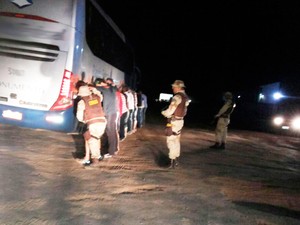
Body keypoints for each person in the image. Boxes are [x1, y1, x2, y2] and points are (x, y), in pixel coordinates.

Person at [161, 80, 190, 169]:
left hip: (174, 121)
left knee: (171, 140)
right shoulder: (186, 97)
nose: (172, 88)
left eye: (174, 86)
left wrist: (164, 113)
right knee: (176, 140)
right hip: (180, 121)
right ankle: (175, 160)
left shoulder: (177, 97)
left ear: (178, 87)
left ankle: (172, 162)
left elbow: (171, 110)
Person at [76, 85, 107, 166]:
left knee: (92, 140)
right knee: (95, 138)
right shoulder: (97, 98)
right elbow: (101, 95)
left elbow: (79, 116)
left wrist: (84, 120)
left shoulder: (82, 102)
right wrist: (95, 90)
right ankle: (89, 157)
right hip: (102, 121)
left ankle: (95, 160)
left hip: (92, 123)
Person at [95, 77, 120, 158]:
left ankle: (111, 152)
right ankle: (114, 149)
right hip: (113, 113)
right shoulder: (113, 89)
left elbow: (95, 87)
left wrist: (102, 84)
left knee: (110, 132)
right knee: (112, 131)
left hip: (110, 113)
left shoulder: (105, 89)